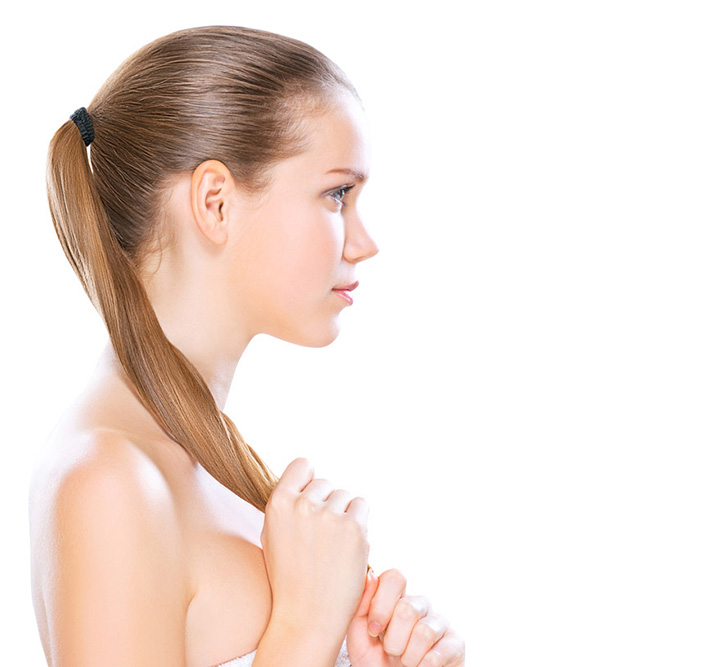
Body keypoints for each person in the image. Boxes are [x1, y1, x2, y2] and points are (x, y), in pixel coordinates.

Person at [28, 25, 465, 667]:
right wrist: (304, 627)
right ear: (215, 203)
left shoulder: (206, 464)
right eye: (337, 194)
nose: (364, 240)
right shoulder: (110, 482)